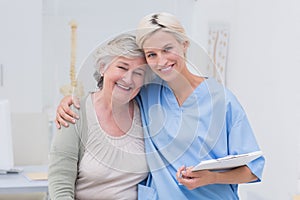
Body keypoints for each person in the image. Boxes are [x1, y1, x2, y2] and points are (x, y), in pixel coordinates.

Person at [55, 12, 265, 200]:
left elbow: (253, 169)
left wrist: (210, 178)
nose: (161, 61)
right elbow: (112, 89)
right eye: (151, 54)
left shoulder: (222, 101)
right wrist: (71, 102)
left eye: (167, 49)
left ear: (184, 45)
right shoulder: (148, 93)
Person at [48, 33, 149, 200]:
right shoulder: (75, 113)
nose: (128, 79)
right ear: (103, 67)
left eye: (138, 73)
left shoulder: (146, 112)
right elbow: (60, 184)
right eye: (122, 67)